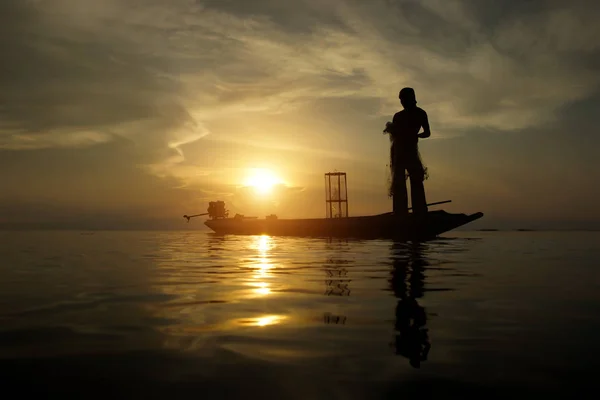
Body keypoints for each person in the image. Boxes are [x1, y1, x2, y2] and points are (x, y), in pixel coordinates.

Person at [383, 87, 430, 217]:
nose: (402, 102)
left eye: (404, 99)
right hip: (398, 152)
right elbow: (395, 135)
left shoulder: (421, 114)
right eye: (401, 99)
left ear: (411, 98)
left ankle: (419, 212)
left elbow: (427, 132)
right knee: (399, 183)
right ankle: (400, 212)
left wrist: (416, 136)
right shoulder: (398, 116)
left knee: (416, 181)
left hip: (411, 151)